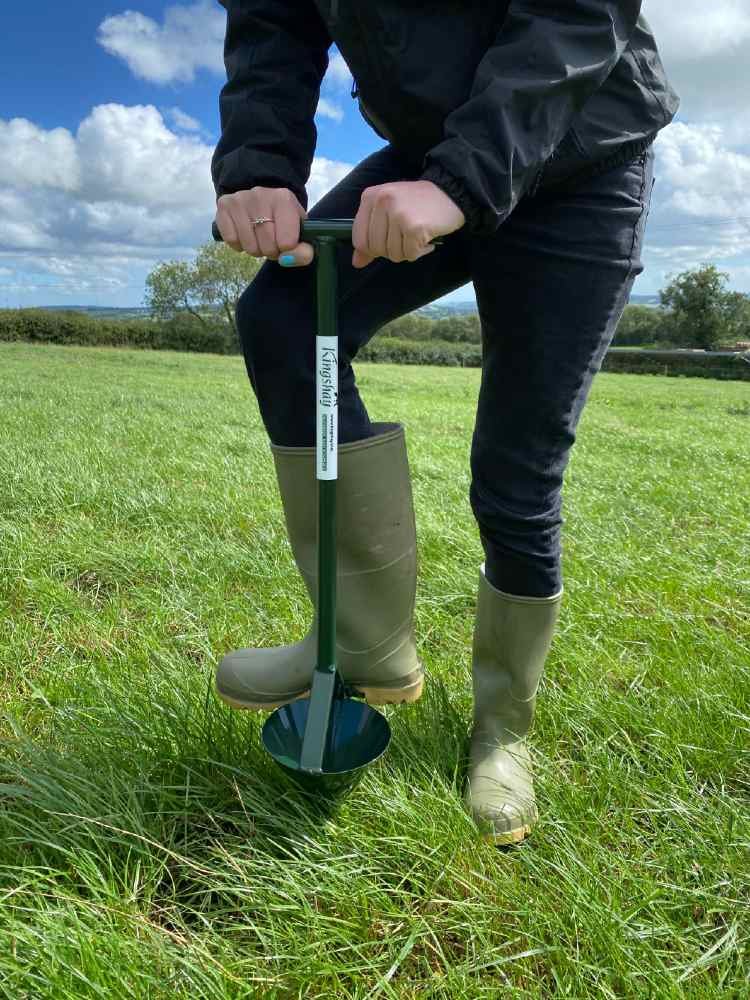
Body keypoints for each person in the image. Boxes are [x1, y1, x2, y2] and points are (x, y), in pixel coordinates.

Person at [210, 1, 679, 845]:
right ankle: (362, 642)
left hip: (581, 150)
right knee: (284, 320)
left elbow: (577, 12)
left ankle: (504, 726)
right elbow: (274, 22)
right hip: (432, 151)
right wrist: (259, 163)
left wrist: (459, 183)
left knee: (516, 470)